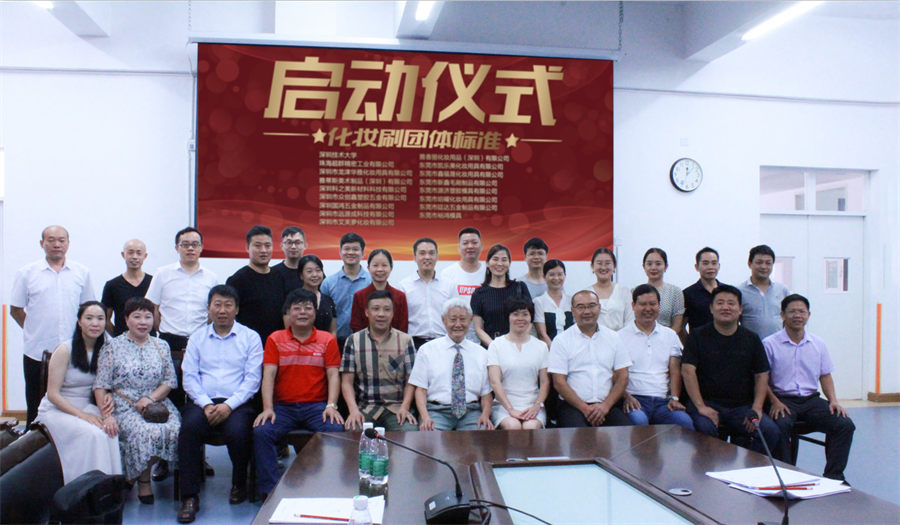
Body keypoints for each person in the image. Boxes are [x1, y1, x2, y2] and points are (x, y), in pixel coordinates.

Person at [177, 285, 263, 522]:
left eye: (228, 305)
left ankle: (239, 483)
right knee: (189, 429)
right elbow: (189, 377)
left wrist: (229, 406)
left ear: (237, 309)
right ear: (209, 308)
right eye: (217, 305)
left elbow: (252, 379)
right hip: (202, 402)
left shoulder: (250, 337)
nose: (222, 310)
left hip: (237, 403)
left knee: (238, 431)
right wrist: (206, 404)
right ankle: (189, 497)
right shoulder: (197, 338)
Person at [253, 289, 344, 500]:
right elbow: (268, 375)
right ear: (288, 312)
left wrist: (331, 405)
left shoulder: (327, 340)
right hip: (283, 408)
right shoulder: (275, 339)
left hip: (316, 407)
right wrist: (268, 408)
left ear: (315, 312)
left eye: (308, 308)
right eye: (297, 308)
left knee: (336, 430)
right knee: (262, 432)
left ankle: (329, 486)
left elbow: (333, 375)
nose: (302, 312)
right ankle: (270, 492)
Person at [144, 226, 217, 480]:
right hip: (170, 343)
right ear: (177, 248)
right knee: (170, 402)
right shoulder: (163, 274)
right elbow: (153, 308)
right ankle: (165, 459)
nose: (190, 248)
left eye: (195, 244)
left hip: (199, 344)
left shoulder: (211, 277)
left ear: (201, 247)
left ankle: (198, 457)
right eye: (185, 244)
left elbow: (212, 312)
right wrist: (159, 335)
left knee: (197, 402)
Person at [93, 297, 181, 504]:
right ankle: (143, 482)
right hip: (124, 405)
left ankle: (132, 477)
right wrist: (106, 416)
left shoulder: (161, 345)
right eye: (137, 316)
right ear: (126, 319)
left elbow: (169, 381)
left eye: (148, 317)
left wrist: (150, 398)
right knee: (144, 432)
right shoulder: (112, 347)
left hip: (157, 404)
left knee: (175, 429)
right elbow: (101, 385)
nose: (143, 322)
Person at [681, 285, 784, 459]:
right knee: (704, 429)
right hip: (707, 403)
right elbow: (687, 371)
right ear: (711, 308)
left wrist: (757, 408)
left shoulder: (751, 339)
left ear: (740, 309)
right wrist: (701, 407)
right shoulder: (697, 336)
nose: (726, 307)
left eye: (731, 303)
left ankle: (750, 470)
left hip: (741, 407)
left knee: (770, 431)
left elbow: (761, 375)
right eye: (720, 303)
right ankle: (707, 471)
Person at [764, 294, 855, 481]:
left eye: (802, 311)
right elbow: (762, 379)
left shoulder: (818, 343)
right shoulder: (769, 344)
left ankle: (834, 476)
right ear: (782, 315)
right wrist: (774, 402)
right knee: (780, 425)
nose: (797, 315)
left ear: (808, 315)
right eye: (792, 311)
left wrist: (833, 401)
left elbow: (825, 375)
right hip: (782, 400)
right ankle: (785, 476)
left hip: (811, 400)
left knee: (844, 425)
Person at [10, 225, 95, 425]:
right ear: (42, 243)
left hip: (73, 351)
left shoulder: (81, 272)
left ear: (68, 243)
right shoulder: (27, 273)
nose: (57, 244)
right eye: (51, 240)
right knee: (36, 405)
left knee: (71, 402)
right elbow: (16, 310)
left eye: (61, 240)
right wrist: (34, 331)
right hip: (37, 351)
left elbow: (88, 310)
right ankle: (33, 440)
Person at [35, 301, 122, 483]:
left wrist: (108, 398)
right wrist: (83, 416)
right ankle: (82, 487)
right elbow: (53, 394)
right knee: (93, 434)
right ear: (79, 322)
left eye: (100, 318)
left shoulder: (109, 347)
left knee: (109, 431)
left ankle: (108, 486)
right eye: (89, 318)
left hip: (87, 405)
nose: (95, 323)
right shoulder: (65, 349)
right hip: (58, 409)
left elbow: (108, 383)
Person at [548, 290, 633, 427]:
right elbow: (559, 382)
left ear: (599, 308)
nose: (587, 311)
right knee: (579, 435)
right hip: (573, 406)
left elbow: (623, 376)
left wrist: (605, 406)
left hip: (607, 405)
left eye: (592, 306)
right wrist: (585, 409)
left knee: (625, 432)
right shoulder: (561, 340)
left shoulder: (614, 338)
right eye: (580, 307)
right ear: (572, 311)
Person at [409, 298, 493, 431]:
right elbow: (420, 389)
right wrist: (425, 417)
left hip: (471, 412)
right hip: (437, 411)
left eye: (463, 319)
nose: (458, 324)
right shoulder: (427, 350)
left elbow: (486, 393)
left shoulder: (482, 353)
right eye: (453, 319)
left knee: (483, 435)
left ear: (470, 320)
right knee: (430, 437)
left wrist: (485, 415)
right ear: (444, 320)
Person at [341, 290, 418, 431]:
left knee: (409, 432)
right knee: (353, 431)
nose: (381, 314)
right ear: (367, 312)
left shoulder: (405, 340)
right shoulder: (354, 340)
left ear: (393, 313)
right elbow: (346, 382)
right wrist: (353, 411)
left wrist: (405, 407)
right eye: (375, 309)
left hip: (397, 408)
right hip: (366, 408)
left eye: (387, 309)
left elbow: (411, 381)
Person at [619, 285, 693, 430]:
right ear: (633, 306)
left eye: (652, 304)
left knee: (684, 422)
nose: (648, 309)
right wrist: (626, 396)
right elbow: (616, 374)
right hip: (634, 399)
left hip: (663, 402)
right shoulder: (620, 336)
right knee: (639, 422)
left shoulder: (670, 335)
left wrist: (675, 398)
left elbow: (675, 370)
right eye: (643, 304)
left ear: (659, 306)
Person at [487, 297, 550, 430]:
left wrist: (537, 405)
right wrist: (510, 409)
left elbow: (545, 382)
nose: (520, 318)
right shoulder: (496, 345)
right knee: (513, 426)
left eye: (525, 314)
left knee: (531, 426)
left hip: (533, 405)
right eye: (515, 314)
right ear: (508, 317)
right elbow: (494, 381)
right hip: (503, 406)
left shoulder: (541, 346)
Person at [225, 225, 287, 344]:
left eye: (267, 245)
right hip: (246, 345)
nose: (263, 250)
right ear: (247, 248)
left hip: (275, 346)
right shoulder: (237, 280)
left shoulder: (279, 277)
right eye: (257, 246)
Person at [471, 244, 532, 347]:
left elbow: (530, 321)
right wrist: (495, 347)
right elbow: (478, 328)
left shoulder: (520, 288)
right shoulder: (479, 293)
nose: (499, 263)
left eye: (504, 260)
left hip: (517, 346)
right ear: (487, 263)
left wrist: (517, 343)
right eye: (495, 259)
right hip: (490, 347)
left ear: (509, 263)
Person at [321, 232, 371, 351]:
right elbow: (323, 314)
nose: (351, 252)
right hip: (335, 342)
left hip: (366, 341)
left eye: (355, 249)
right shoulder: (328, 283)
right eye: (347, 249)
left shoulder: (371, 281)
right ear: (340, 252)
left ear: (363, 253)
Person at [399, 238, 450, 349]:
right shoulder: (404, 286)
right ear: (414, 257)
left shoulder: (449, 285)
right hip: (414, 344)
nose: (427, 257)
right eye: (422, 253)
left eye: (431, 253)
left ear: (437, 256)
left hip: (443, 343)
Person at [439, 227, 485, 343]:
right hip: (456, 336)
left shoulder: (489, 272)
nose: (470, 246)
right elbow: (443, 308)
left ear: (481, 246)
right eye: (465, 243)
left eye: (474, 242)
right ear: (459, 247)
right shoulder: (447, 273)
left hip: (484, 336)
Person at [349, 249, 409, 333]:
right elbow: (356, 326)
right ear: (368, 268)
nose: (380, 269)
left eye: (384, 265)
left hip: (394, 341)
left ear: (391, 268)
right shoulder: (359, 296)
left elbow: (403, 327)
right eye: (375, 265)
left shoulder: (400, 296)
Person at [102, 238, 152, 336]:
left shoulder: (154, 282)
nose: (135, 257)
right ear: (123, 255)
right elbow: (105, 319)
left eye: (139, 253)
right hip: (122, 341)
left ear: (145, 256)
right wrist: (119, 337)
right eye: (130, 252)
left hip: (149, 340)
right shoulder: (112, 285)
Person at [738, 244, 790, 339]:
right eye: (759, 262)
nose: (763, 266)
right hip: (750, 344)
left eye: (768, 263)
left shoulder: (783, 290)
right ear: (749, 264)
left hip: (778, 344)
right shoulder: (740, 291)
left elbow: (788, 318)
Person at [642, 248, 684, 333]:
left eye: (658, 264)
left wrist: (666, 339)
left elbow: (677, 325)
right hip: (640, 337)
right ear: (644, 266)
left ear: (666, 266)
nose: (653, 267)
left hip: (667, 338)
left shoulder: (675, 292)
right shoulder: (635, 292)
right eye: (649, 264)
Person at [589, 248, 633, 331]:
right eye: (599, 263)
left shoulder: (624, 292)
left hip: (620, 337)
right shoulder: (586, 293)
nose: (603, 267)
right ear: (592, 266)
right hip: (594, 338)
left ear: (614, 266)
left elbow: (630, 321)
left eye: (607, 263)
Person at [682, 247, 722, 335]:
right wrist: (690, 342)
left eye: (714, 263)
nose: (710, 267)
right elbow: (682, 326)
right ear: (697, 267)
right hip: (699, 342)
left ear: (719, 266)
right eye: (705, 263)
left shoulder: (727, 292)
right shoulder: (687, 294)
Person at [533, 259, 573, 347]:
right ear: (544, 276)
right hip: (549, 349)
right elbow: (542, 334)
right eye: (551, 274)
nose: (556, 278)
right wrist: (555, 351)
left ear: (565, 276)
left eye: (560, 274)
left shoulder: (571, 300)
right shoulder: (539, 302)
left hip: (572, 348)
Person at [297, 254, 337, 335]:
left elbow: (333, 331)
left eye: (318, 270)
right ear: (301, 275)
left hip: (325, 342)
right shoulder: (294, 298)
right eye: (309, 271)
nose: (315, 275)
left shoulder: (328, 300)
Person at [272, 226, 306, 293]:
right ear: (281, 246)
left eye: (297, 242)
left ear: (305, 245)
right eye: (289, 242)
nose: (293, 247)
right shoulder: (273, 273)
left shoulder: (312, 273)